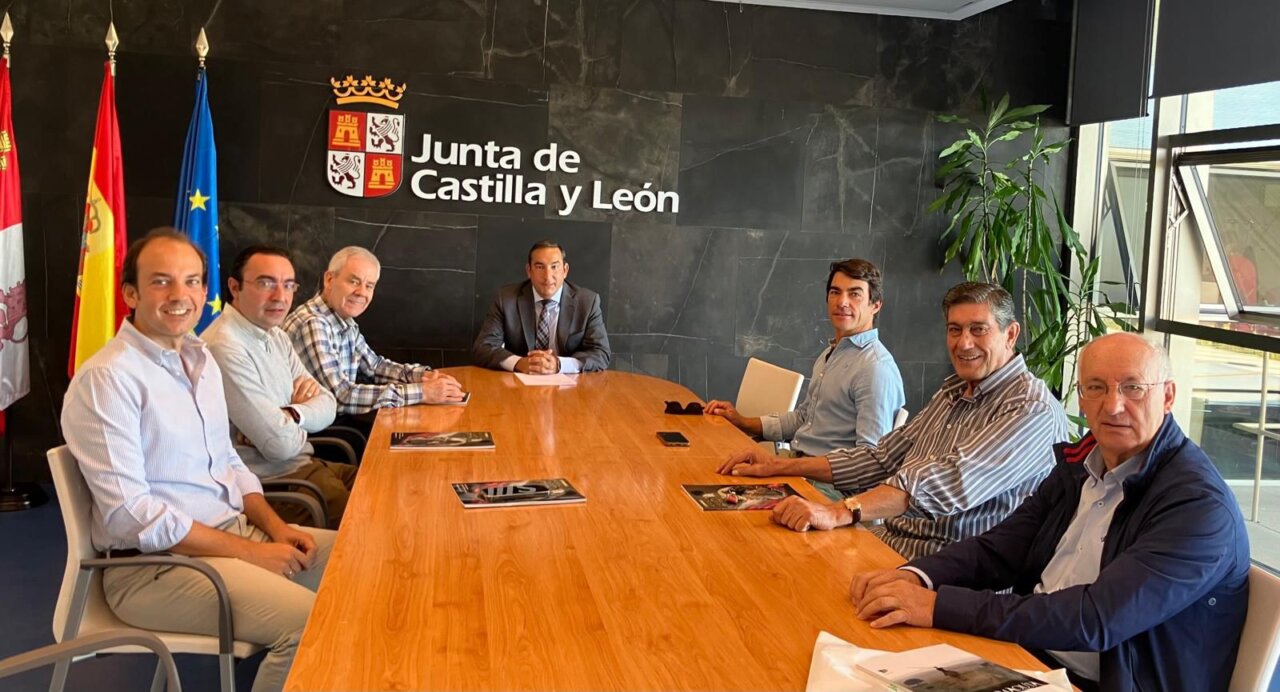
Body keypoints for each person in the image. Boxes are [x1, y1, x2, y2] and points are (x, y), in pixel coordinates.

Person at [850, 333, 1249, 692]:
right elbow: (1002, 548)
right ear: (1080, 396)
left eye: (1133, 388)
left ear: (1167, 396)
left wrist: (937, 605)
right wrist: (914, 577)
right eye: (1097, 387)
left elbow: (1096, 619)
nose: (1113, 405)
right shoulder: (1081, 464)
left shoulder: (1198, 506)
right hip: (1030, 660)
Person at [61, 228, 336, 692]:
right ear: (130, 293)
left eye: (191, 282)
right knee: (310, 625)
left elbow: (227, 459)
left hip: (230, 534)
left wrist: (275, 526)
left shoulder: (199, 360)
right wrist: (253, 553)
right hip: (152, 569)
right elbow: (133, 516)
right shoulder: (109, 378)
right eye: (161, 281)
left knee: (364, 566)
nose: (180, 295)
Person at [720, 282, 1068, 560]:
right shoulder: (953, 391)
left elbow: (948, 482)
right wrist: (776, 467)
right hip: (889, 541)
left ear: (1010, 335)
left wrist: (841, 511)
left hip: (948, 573)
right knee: (752, 550)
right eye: (955, 329)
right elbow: (881, 458)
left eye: (979, 330)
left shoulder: (1032, 408)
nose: (964, 343)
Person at [203, 245, 357, 527]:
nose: (281, 296)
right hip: (276, 487)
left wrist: (291, 415)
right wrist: (298, 419)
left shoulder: (275, 335)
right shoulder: (224, 346)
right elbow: (279, 445)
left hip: (306, 466)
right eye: (266, 283)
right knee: (375, 520)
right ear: (234, 287)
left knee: (390, 486)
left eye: (288, 285)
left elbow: (329, 403)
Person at [704, 258, 904, 458]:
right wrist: (741, 421)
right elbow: (803, 418)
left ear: (875, 306)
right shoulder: (832, 353)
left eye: (855, 294)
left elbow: (869, 460)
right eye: (835, 292)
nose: (842, 302)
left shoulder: (875, 369)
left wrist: (784, 467)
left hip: (826, 486)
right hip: (797, 463)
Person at [284, 246, 463, 442]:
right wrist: (422, 392)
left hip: (336, 423)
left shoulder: (342, 319)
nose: (361, 292)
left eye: (369, 285)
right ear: (329, 279)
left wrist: (422, 376)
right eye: (354, 281)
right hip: (315, 435)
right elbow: (341, 396)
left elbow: (375, 366)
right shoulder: (314, 323)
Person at [472, 240, 611, 374]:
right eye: (540, 267)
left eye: (554, 267)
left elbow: (601, 353)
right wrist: (519, 363)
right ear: (529, 271)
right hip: (520, 383)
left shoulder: (587, 302)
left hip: (569, 386)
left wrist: (559, 364)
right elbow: (483, 347)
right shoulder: (506, 299)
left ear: (565, 270)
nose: (548, 276)